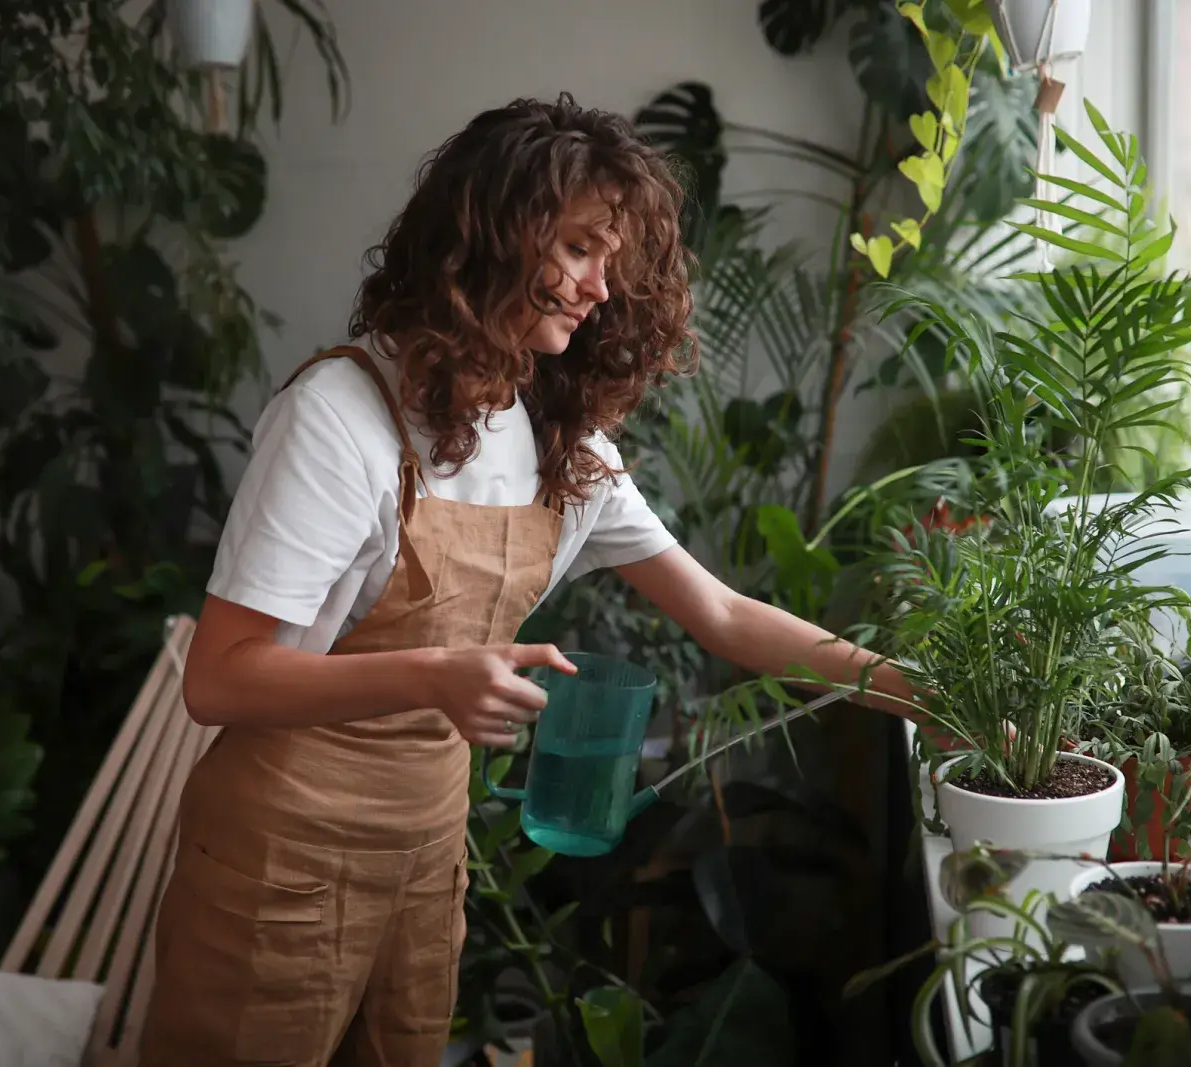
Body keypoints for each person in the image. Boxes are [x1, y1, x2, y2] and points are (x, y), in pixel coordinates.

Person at [138, 93, 918, 1067]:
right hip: (279, 864)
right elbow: (220, 677)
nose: (601, 286)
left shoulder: (557, 438)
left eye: (615, 261)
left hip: (426, 861)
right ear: (492, 234)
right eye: (582, 248)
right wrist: (434, 674)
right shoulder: (339, 417)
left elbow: (720, 613)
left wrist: (922, 692)